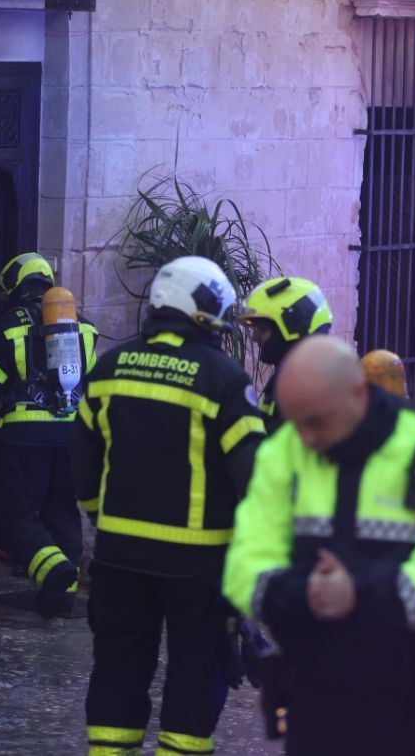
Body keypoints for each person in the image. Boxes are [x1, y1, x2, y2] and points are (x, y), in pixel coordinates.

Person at [222, 336, 415, 755]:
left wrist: (361, 594)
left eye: (316, 421)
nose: (306, 437)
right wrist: (301, 593)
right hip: (319, 698)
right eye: (295, 421)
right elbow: (248, 556)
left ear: (358, 393)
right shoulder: (286, 451)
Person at [72, 256, 267, 756]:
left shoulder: (108, 369)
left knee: (117, 666)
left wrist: (101, 518)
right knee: (195, 672)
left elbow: (82, 464)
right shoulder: (223, 380)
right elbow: (255, 481)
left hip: (117, 557)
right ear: (203, 311)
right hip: (197, 564)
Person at [0, 252, 99, 617]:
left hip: (25, 437)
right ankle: (60, 596)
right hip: (73, 437)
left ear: (14, 284)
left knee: (18, 515)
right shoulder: (84, 327)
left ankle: (55, 571)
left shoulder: (8, 326)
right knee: (63, 512)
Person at [237, 276, 333, 431]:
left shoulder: (308, 393)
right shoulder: (290, 378)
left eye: (262, 329)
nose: (255, 337)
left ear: (294, 328)